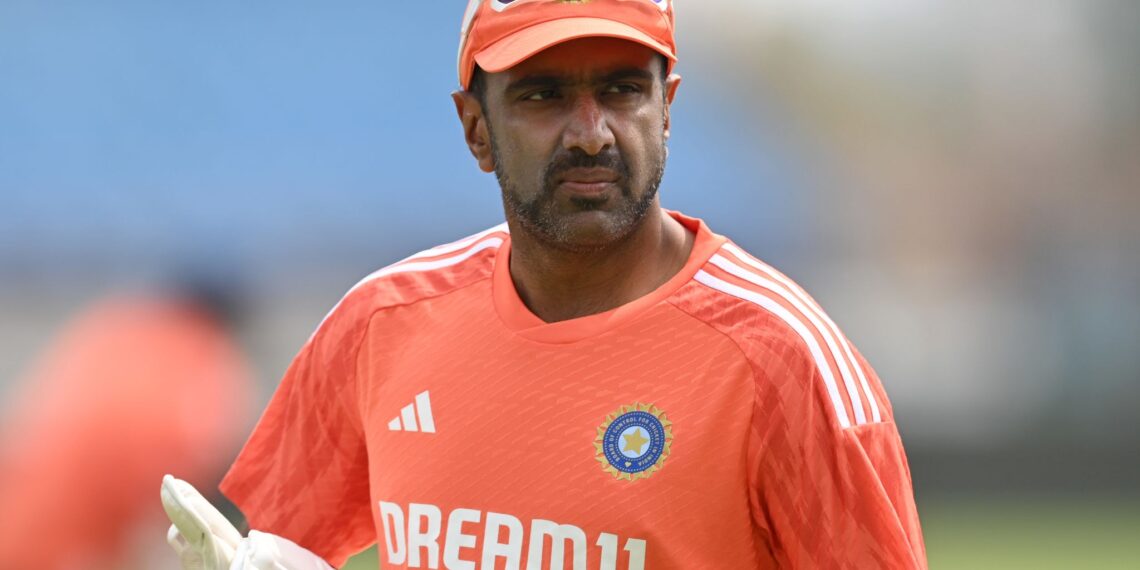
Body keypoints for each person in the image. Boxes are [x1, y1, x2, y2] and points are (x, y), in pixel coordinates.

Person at [164, 1, 927, 568]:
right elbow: (272, 544)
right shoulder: (381, 324)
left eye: (624, 90)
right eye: (544, 95)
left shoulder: (785, 362)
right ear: (475, 130)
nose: (591, 132)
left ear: (668, 111)